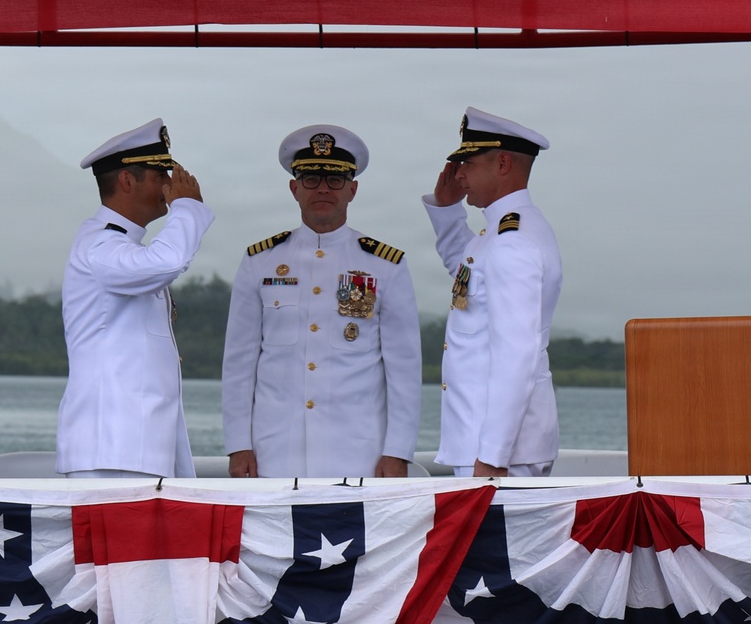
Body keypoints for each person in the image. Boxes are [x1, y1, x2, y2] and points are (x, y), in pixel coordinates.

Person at [222, 124, 422, 478]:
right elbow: (239, 364)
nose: (323, 189)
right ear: (294, 188)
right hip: (274, 451)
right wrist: (239, 445)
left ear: (353, 189)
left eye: (335, 180)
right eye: (311, 179)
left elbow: (403, 370)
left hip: (359, 451)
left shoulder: (385, 265)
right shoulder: (260, 262)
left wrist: (398, 451)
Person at [57, 118, 213, 479]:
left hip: (133, 449)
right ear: (127, 180)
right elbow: (168, 261)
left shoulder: (122, 245)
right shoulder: (100, 243)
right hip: (111, 449)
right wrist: (187, 208)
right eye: (161, 175)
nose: (170, 186)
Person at [423, 107, 563, 478]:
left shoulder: (512, 242)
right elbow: (466, 273)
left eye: (467, 163)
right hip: (487, 444)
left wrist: (493, 456)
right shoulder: (500, 234)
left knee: (502, 539)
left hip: (498, 454)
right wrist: (446, 209)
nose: (460, 174)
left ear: (502, 163)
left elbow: (517, 355)